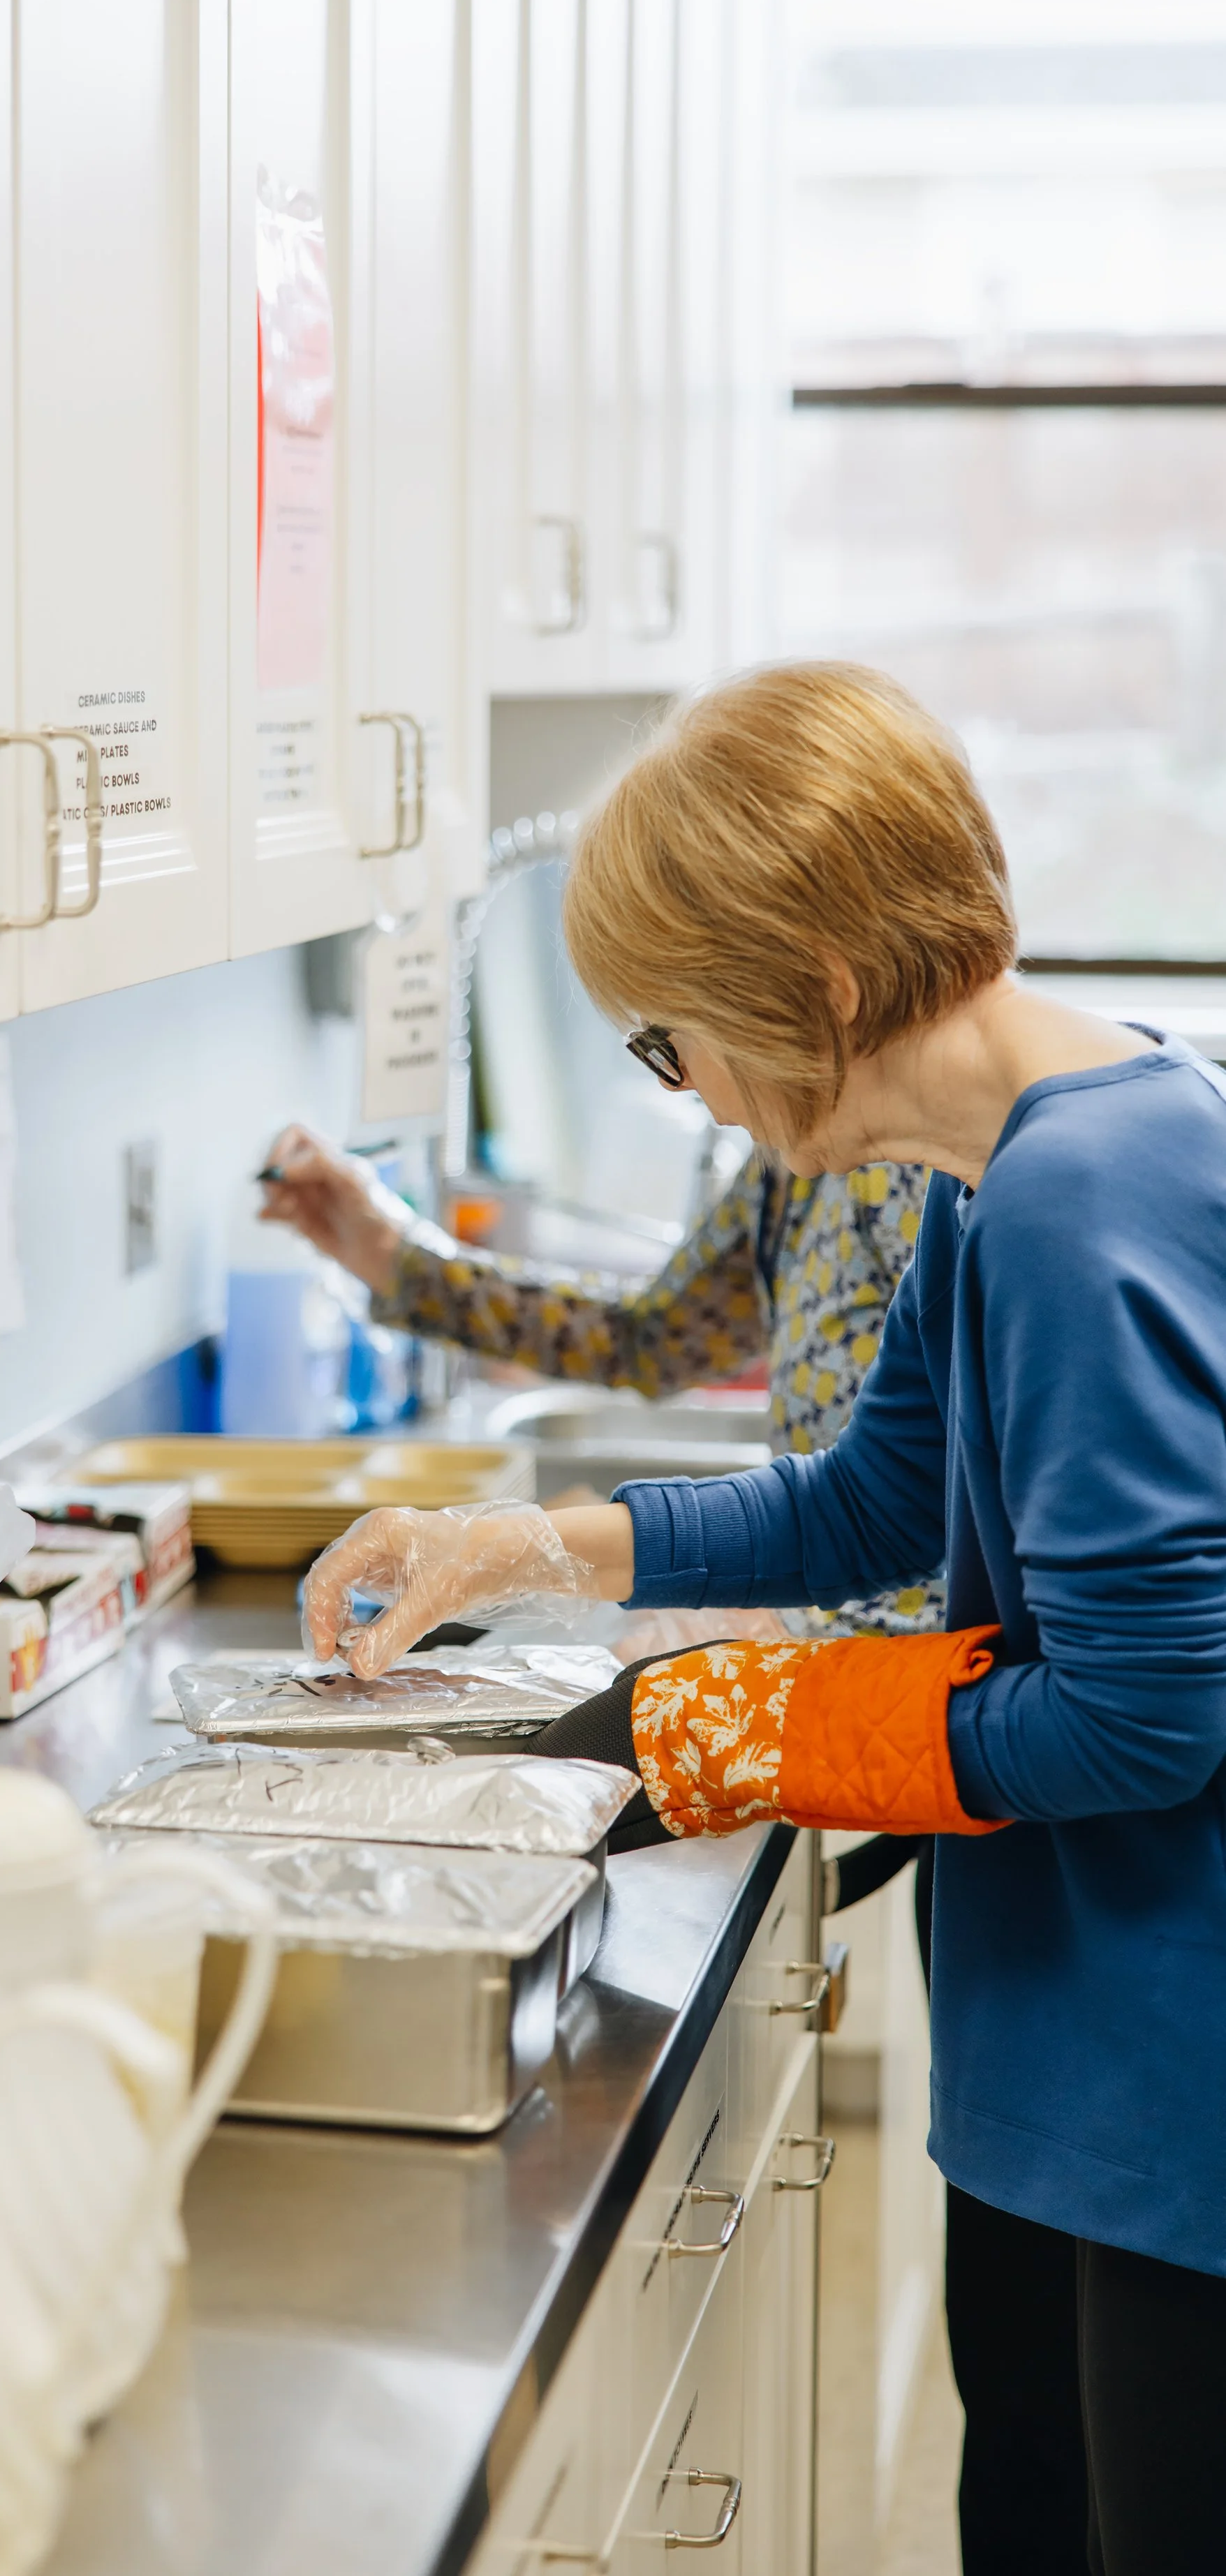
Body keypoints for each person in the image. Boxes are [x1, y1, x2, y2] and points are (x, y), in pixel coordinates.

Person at [301, 663, 1226, 2576]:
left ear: (804, 981)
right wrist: (524, 1542)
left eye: (668, 1042)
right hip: (1067, 2052)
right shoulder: (1001, 1165)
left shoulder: (1078, 1194)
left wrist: (767, 1727)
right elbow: (864, 1499)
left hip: (1169, 2076)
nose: (683, 1092)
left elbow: (1149, 1715)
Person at [256, 1124, 943, 1641]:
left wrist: (786, 1642)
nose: (683, 1092)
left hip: (910, 1665)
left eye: (673, 1044)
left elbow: (918, 1521)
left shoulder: (927, 1169)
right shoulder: (792, 1155)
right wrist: (392, 1259)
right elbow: (654, 1338)